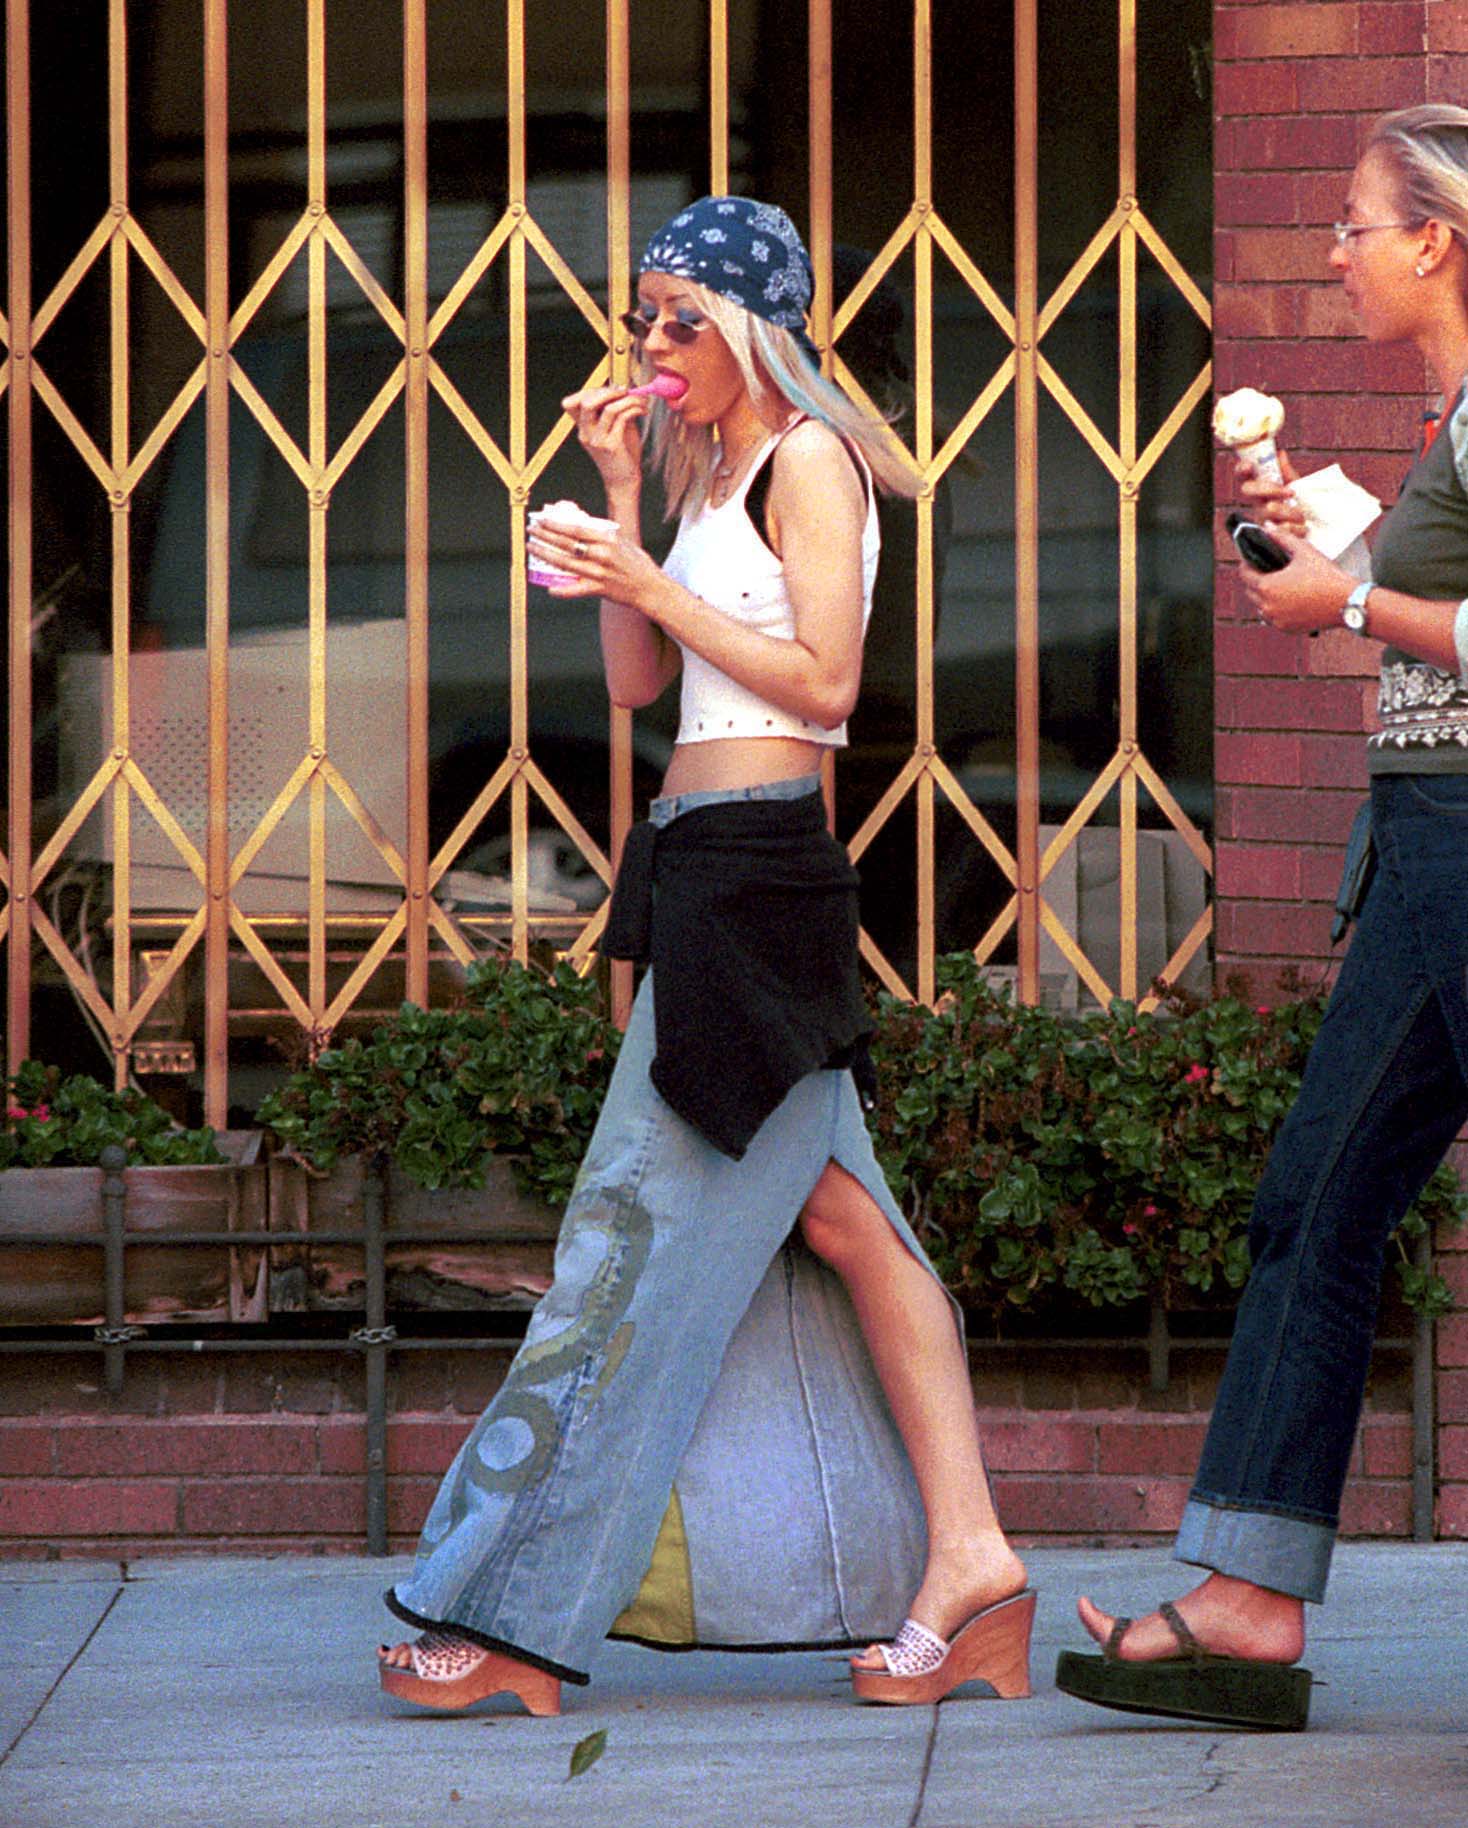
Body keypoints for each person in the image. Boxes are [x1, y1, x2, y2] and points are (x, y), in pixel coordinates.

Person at [377, 195, 1031, 1716]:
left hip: (762, 880)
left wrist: (653, 580)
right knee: (850, 1224)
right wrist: (622, 508)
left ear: (754, 327)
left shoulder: (812, 459)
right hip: (702, 869)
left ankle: (509, 1615)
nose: (654, 344)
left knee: (621, 1250)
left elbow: (828, 682)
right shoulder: (711, 469)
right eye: (643, 317)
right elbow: (635, 690)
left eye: (683, 318)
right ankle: (975, 1565)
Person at [1056, 104, 1468, 1732]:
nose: (1337, 251)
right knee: (1316, 1200)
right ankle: (1247, 1594)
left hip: (1460, 846)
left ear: (1436, 237)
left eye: (1358, 224)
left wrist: (1349, 596)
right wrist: (1333, 554)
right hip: (1426, 844)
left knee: (1321, 1201)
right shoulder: (1448, 419)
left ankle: (1244, 1595)